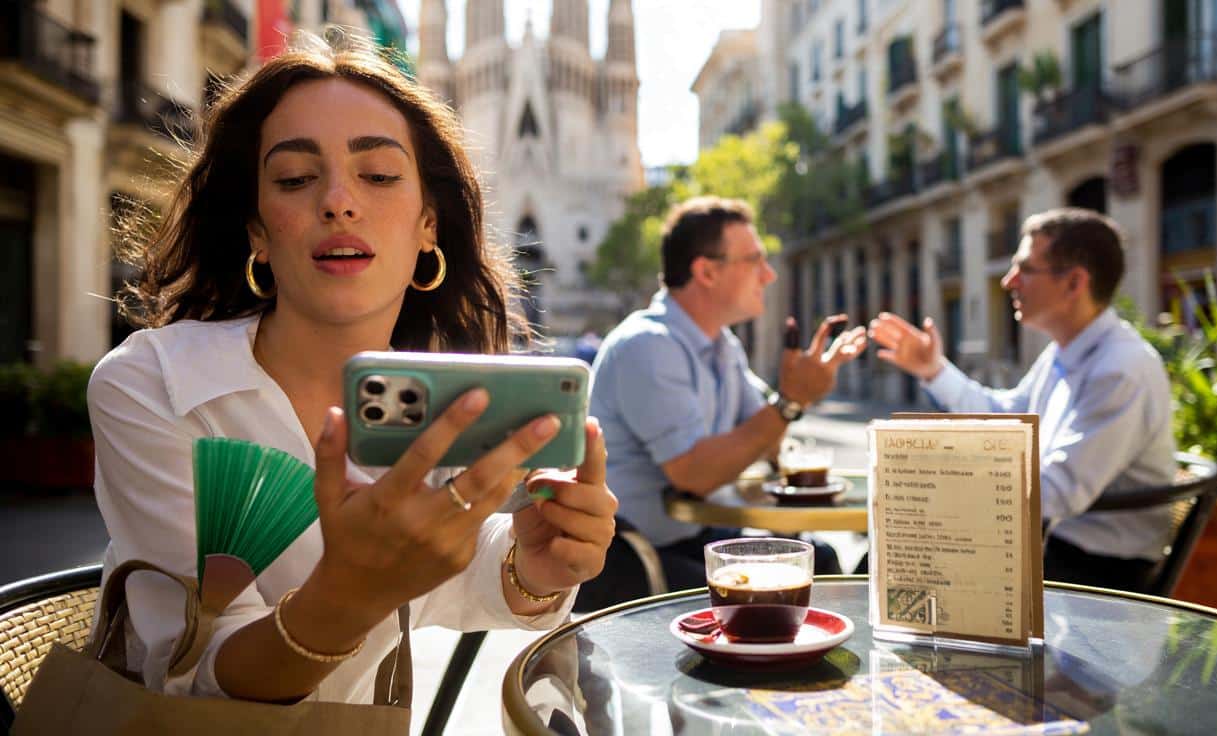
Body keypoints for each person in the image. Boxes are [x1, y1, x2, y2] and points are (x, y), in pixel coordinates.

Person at [89, 30, 617, 709]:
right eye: (295, 179)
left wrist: (530, 568)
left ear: (429, 224)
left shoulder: (429, 395)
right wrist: (350, 591)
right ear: (257, 231)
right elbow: (198, 682)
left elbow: (446, 579)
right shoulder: (156, 386)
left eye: (378, 175)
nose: (339, 201)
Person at [867, 207, 1175, 593]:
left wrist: (938, 489)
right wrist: (934, 370)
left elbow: (1059, 491)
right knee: (886, 558)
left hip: (1098, 574)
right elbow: (1007, 417)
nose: (1009, 280)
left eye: (1026, 269)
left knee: (895, 562)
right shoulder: (1067, 351)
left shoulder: (1121, 368)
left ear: (1074, 283)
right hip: (1053, 550)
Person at [587, 196, 868, 592]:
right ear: (706, 271)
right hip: (630, 554)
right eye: (754, 260)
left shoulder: (723, 346)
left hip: (696, 537)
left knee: (819, 559)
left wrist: (797, 394)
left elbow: (770, 443)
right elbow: (694, 475)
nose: (768, 275)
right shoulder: (647, 345)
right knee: (778, 589)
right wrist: (789, 402)